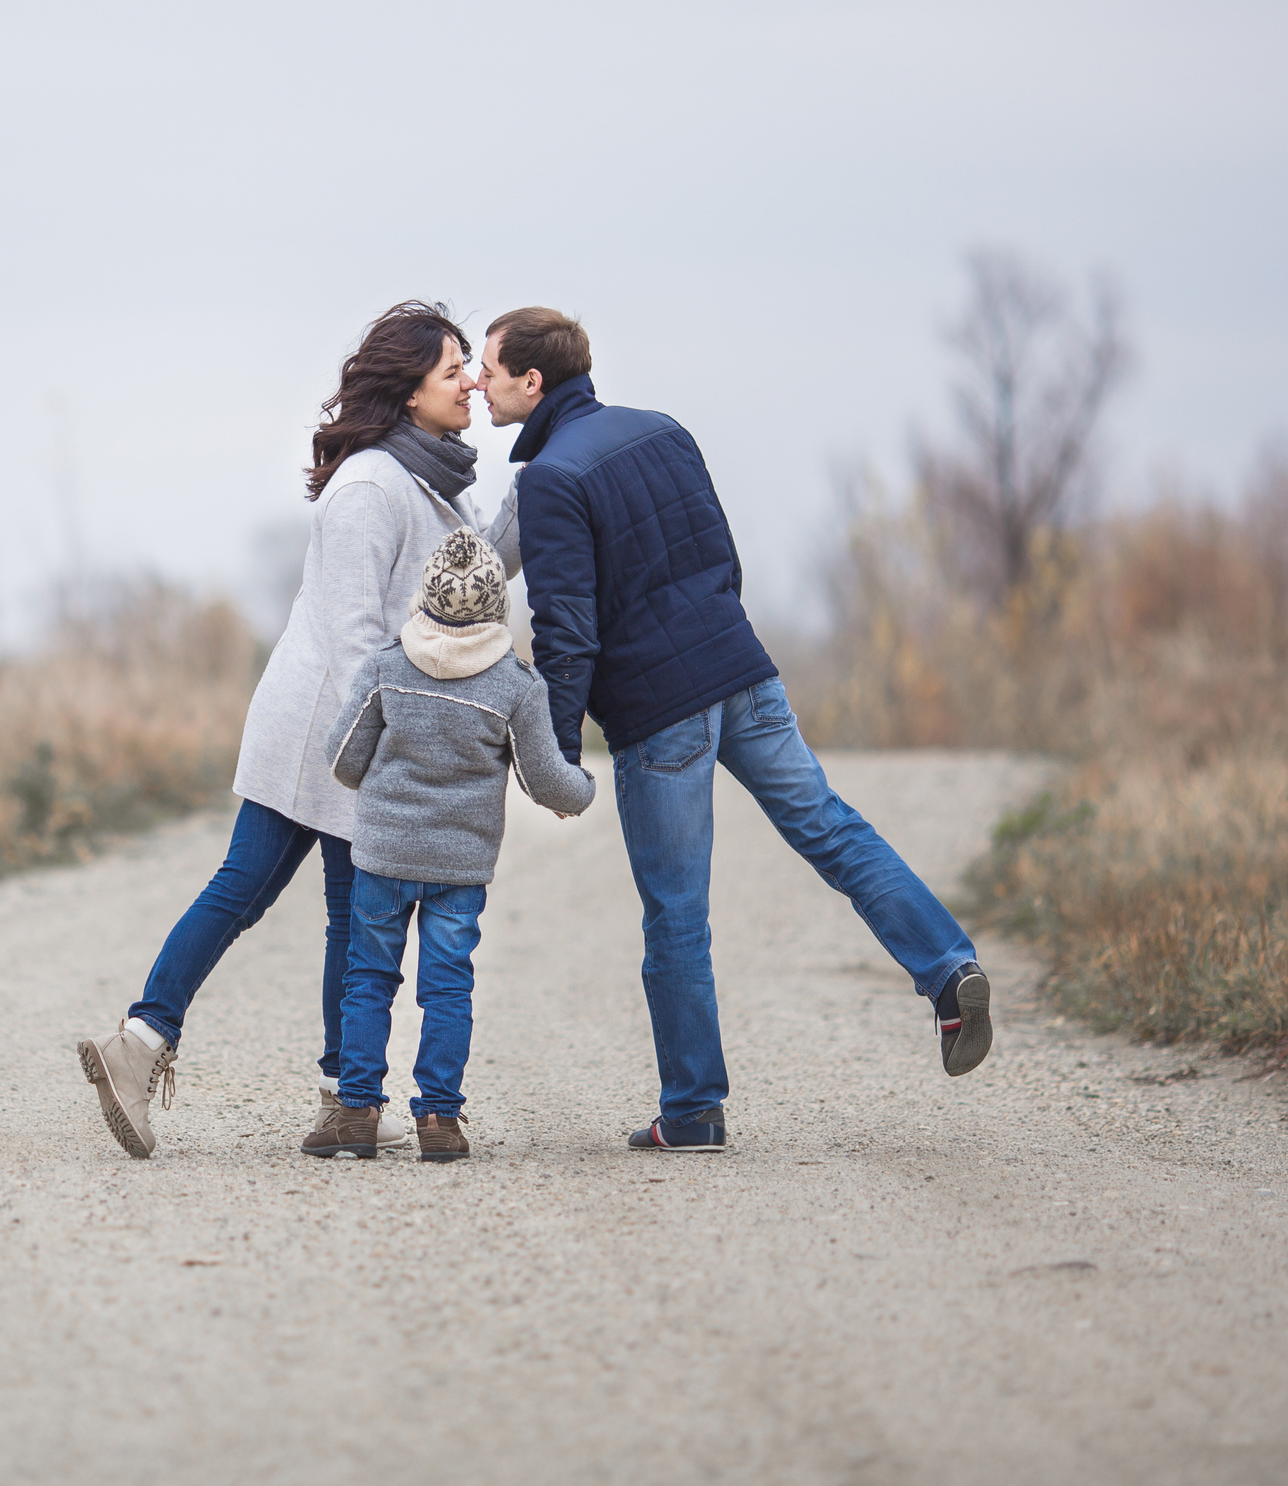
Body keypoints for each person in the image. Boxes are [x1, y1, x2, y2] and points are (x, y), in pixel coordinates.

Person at [474, 306, 991, 1153]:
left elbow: (565, 629)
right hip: (744, 672)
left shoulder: (550, 479)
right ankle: (948, 968)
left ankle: (693, 1109)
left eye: (490, 370)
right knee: (832, 829)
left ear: (533, 381)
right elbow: (724, 556)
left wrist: (557, 759)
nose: (479, 384)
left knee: (676, 913)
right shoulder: (664, 430)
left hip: (659, 713)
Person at [78, 301, 519, 1158]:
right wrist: (387, 746)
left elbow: (470, 579)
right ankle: (162, 1047)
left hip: (353, 728)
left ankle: (323, 1090)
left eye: (470, 367)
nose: (470, 382)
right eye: (452, 370)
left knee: (330, 911)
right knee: (260, 893)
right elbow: (358, 636)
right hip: (328, 729)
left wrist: (542, 484)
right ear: (408, 390)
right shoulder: (370, 487)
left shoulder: (430, 482)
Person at [304, 529, 595, 1164]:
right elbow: (545, 780)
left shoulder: (386, 666)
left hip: (383, 860)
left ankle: (356, 1112)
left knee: (368, 979)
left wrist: (384, 777)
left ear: (427, 598)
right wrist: (582, 791)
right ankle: (438, 1118)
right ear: (496, 607)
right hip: (459, 869)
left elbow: (343, 758)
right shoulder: (515, 685)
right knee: (447, 988)